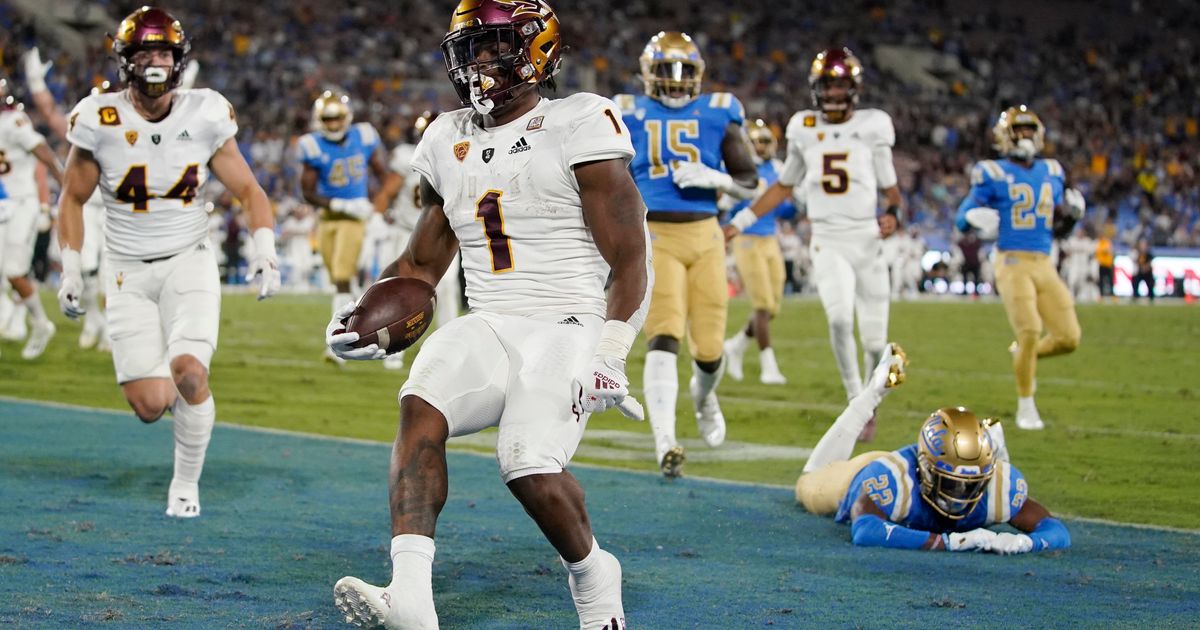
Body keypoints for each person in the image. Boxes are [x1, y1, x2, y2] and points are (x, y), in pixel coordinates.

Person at [327, 1, 648, 627]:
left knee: (526, 461)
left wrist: (612, 349)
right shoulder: (448, 135)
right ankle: (411, 600)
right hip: (492, 319)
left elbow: (633, 255)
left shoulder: (580, 121)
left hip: (568, 322)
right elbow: (421, 265)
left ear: (539, 49)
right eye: (469, 48)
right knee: (420, 404)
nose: (479, 61)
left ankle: (593, 574)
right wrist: (360, 317)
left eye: (494, 45)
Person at [56, 7, 281, 518]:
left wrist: (264, 249)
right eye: (145, 53)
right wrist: (71, 266)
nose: (155, 61)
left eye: (163, 52)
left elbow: (248, 190)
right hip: (125, 270)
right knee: (150, 405)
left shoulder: (204, 112)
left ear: (178, 59)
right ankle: (181, 411)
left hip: (189, 259)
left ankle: (185, 484)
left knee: (188, 372)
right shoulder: (98, 117)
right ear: (126, 61)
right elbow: (70, 199)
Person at [724, 47, 902, 442]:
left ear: (854, 88)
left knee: (875, 341)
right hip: (827, 239)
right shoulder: (803, 127)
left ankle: (872, 400)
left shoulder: (874, 126)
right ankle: (855, 398)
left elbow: (892, 192)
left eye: (841, 85)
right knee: (839, 318)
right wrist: (740, 221)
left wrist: (893, 214)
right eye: (828, 85)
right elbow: (783, 186)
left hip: (867, 239)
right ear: (816, 88)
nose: (835, 93)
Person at [617, 31, 758, 478]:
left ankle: (704, 396)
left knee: (711, 349)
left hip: (706, 236)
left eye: (684, 72)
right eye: (666, 71)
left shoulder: (720, 113)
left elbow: (750, 182)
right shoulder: (626, 113)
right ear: (648, 74)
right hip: (654, 233)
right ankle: (666, 442)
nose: (676, 82)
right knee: (663, 334)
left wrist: (718, 181)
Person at [796, 344, 1071, 554]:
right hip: (854, 476)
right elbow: (866, 531)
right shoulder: (893, 479)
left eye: (971, 485)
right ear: (925, 470)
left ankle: (994, 446)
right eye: (951, 484)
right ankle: (872, 395)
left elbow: (1058, 532)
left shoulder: (998, 484)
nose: (961, 495)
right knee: (808, 481)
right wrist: (946, 542)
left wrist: (1025, 542)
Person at [955, 105, 1084, 430]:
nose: (1025, 136)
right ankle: (1026, 405)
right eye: (1019, 131)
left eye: (1030, 131)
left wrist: (1070, 219)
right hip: (1012, 261)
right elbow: (962, 216)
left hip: (1045, 261)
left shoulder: (1052, 170)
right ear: (1005, 136)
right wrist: (972, 220)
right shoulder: (991, 172)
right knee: (1029, 331)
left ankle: (1022, 357)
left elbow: (1053, 228)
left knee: (1069, 337)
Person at [297, 89, 388, 365]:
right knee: (337, 279)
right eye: (328, 119)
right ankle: (351, 328)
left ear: (347, 117)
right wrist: (339, 204)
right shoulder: (312, 145)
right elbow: (308, 192)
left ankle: (341, 343)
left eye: (337, 118)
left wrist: (376, 208)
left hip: (355, 218)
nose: (333, 125)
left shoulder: (364, 136)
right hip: (329, 218)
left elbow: (383, 175)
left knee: (341, 273)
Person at [372, 111, 461, 371]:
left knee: (446, 291)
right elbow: (388, 189)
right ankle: (391, 346)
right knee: (398, 288)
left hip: (444, 233)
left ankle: (447, 347)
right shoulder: (406, 156)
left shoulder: (460, 156)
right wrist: (376, 216)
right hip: (405, 233)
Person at [722, 119, 796, 385]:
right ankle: (768, 365)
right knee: (763, 305)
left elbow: (782, 210)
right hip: (746, 239)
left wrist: (795, 204)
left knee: (773, 306)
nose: (762, 146)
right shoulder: (741, 168)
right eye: (757, 142)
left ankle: (737, 344)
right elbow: (727, 204)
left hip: (770, 238)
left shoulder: (777, 169)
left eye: (766, 141)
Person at [0, 76, 65, 360]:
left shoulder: (13, 121)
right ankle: (16, 321)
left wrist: (66, 184)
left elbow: (45, 155)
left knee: (14, 271)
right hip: (4, 204)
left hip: (21, 203)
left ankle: (40, 324)